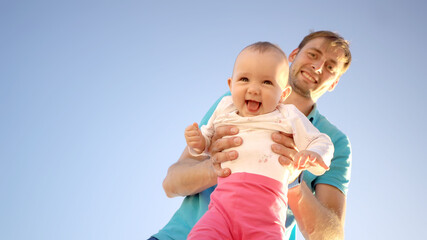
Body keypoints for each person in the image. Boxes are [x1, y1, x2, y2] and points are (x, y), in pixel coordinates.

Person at [150, 30, 352, 240]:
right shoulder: (232, 104)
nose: (317, 67)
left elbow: (332, 236)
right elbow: (171, 184)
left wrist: (290, 178)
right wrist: (223, 164)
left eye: (330, 67)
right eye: (313, 54)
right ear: (294, 54)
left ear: (334, 82)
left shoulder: (333, 141)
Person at [184, 42, 334, 239]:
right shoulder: (225, 107)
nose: (254, 89)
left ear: (283, 95)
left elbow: (322, 141)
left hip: (265, 216)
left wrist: (314, 155)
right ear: (231, 85)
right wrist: (198, 142)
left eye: (267, 83)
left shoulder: (288, 115)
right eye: (244, 79)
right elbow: (207, 140)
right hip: (221, 211)